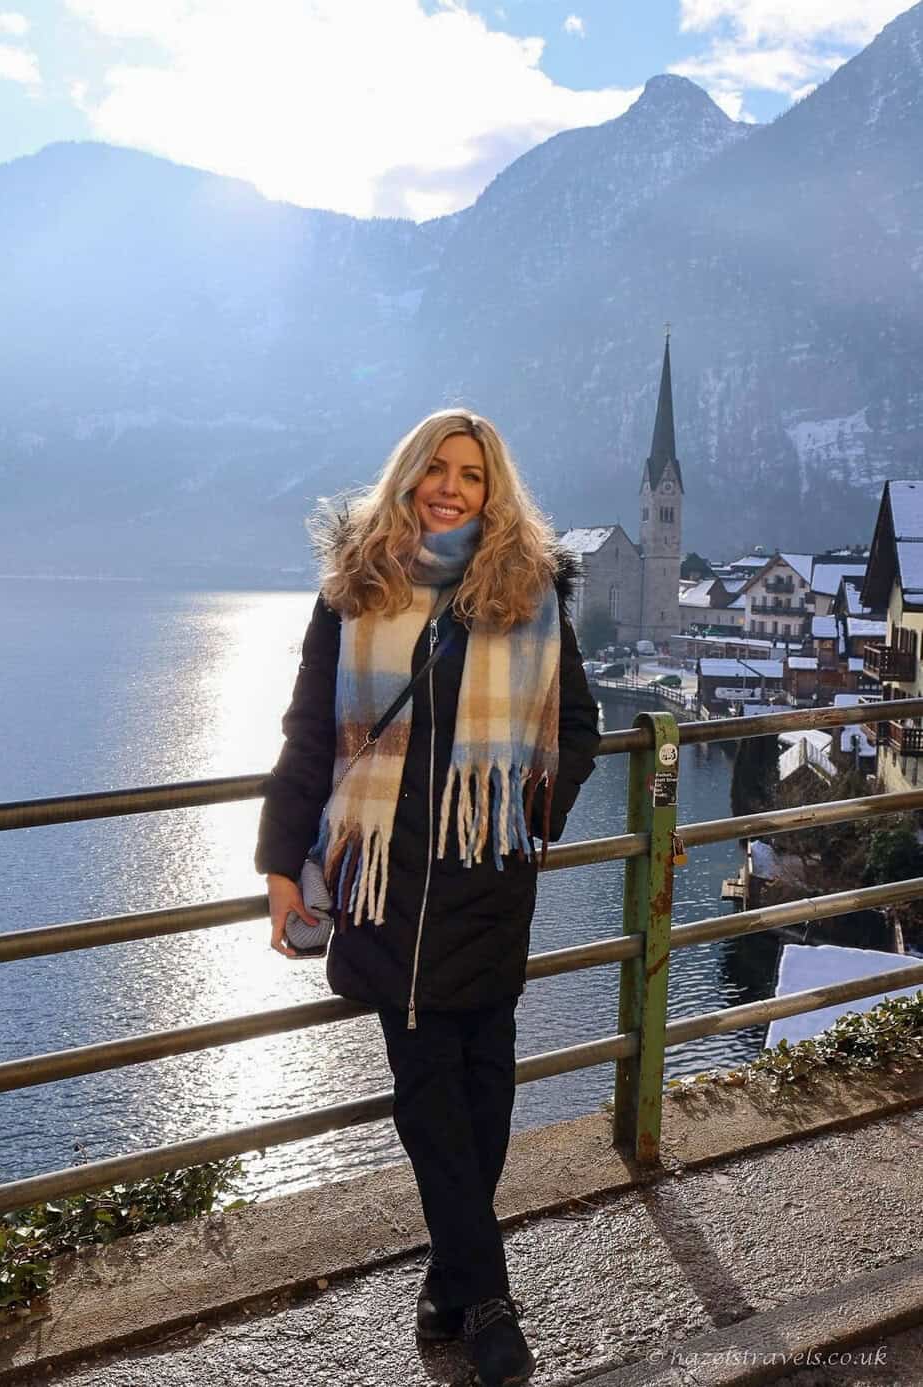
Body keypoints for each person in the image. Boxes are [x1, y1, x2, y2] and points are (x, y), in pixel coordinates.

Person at [255, 408, 600, 1387]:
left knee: (487, 1085)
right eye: (437, 468)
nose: (452, 487)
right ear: (408, 477)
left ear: (494, 492)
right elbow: (308, 735)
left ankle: (450, 1280)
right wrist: (280, 864)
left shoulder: (528, 592)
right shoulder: (356, 588)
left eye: (472, 474)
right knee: (429, 1093)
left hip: (488, 869)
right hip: (388, 879)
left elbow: (577, 725)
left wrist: (528, 808)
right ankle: (488, 1303)